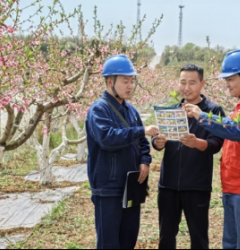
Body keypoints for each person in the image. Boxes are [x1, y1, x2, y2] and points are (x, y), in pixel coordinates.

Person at [184, 50, 240, 250]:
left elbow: (239, 130)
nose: (227, 84)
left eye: (231, 79)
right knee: (231, 244)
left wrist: (203, 116)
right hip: (234, 187)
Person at [86, 55, 159, 249]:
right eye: (125, 81)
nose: (130, 86)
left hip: (131, 185)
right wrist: (140, 130)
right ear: (110, 81)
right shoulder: (99, 110)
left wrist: (145, 161)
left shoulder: (131, 111)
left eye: (132, 81)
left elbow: (142, 143)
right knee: (109, 242)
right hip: (108, 188)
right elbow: (107, 138)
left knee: (129, 239)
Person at [153, 64, 226, 249]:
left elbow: (216, 144)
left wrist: (197, 143)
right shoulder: (171, 112)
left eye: (192, 83)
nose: (187, 87)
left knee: (199, 237)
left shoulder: (213, 111)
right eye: (183, 82)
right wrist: (156, 142)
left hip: (196, 185)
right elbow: (157, 136)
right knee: (166, 236)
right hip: (168, 185)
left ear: (202, 83)